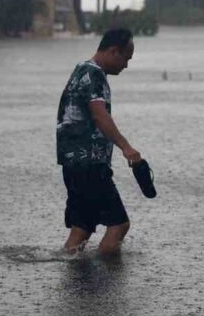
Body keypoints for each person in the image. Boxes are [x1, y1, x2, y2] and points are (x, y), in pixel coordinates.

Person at [56, 28, 142, 256]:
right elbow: (99, 114)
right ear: (114, 52)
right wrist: (126, 148)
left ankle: (75, 279)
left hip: (71, 164)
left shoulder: (80, 70)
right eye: (126, 59)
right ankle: (108, 285)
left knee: (82, 228)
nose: (126, 66)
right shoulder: (95, 75)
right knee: (119, 225)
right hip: (90, 164)